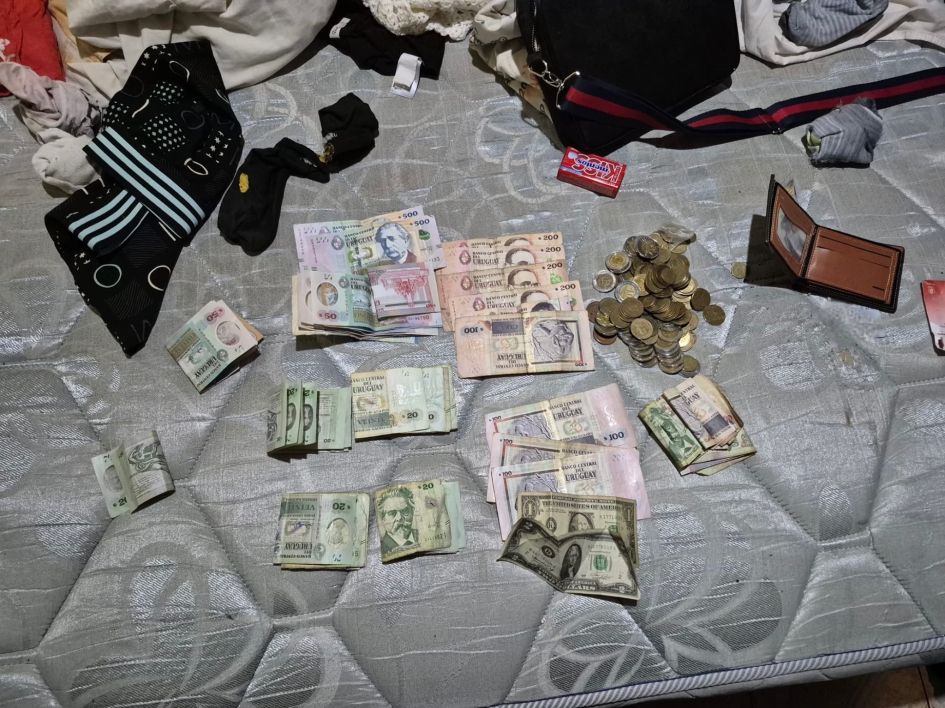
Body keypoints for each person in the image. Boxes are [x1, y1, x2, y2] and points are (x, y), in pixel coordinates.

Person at [377, 486, 419, 555]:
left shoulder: (423, 537)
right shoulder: (380, 549)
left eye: (405, 511)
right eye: (392, 513)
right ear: (383, 518)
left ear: (412, 512)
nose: (399, 518)